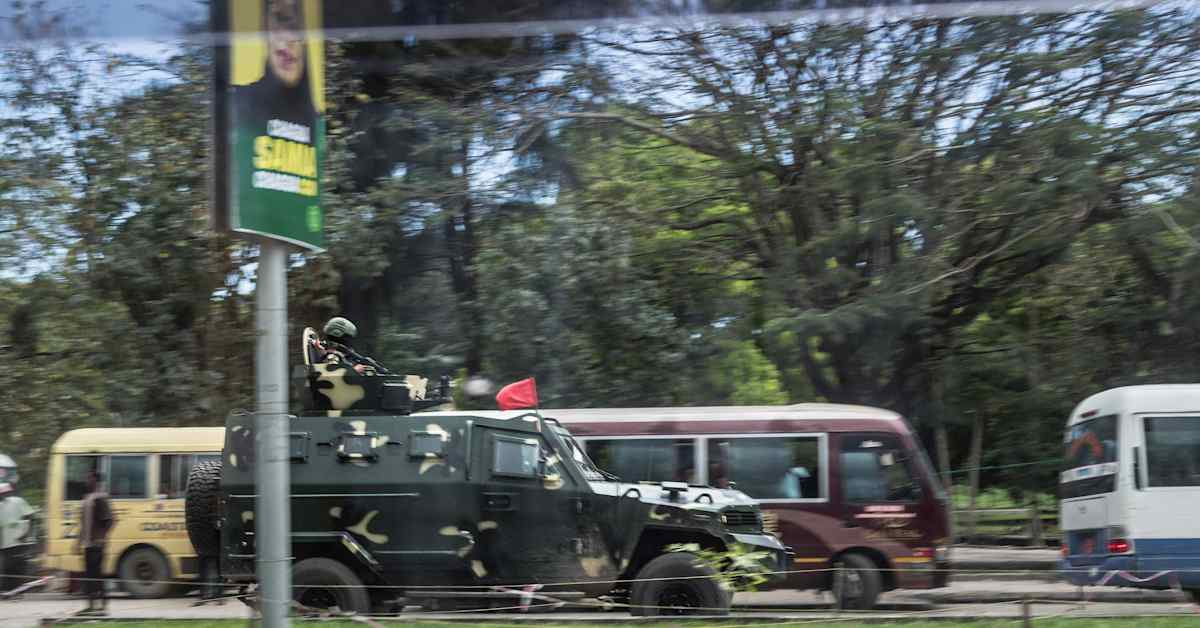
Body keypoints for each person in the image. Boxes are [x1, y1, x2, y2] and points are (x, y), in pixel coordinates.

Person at [76, 471, 115, 616]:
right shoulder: (87, 499)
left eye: (89, 478)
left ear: (96, 481)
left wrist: (102, 538)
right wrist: (78, 542)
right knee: (88, 575)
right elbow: (83, 524)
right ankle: (90, 606)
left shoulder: (101, 498)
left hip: (97, 544)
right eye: (87, 478)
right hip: (87, 544)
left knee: (97, 575)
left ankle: (103, 606)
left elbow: (110, 520)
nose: (87, 481)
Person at [321, 316, 389, 374]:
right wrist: (354, 371)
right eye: (348, 337)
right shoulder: (331, 355)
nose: (349, 341)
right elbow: (331, 375)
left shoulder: (344, 355)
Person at [0, 481, 34, 593]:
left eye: (4, 493)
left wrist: (26, 534)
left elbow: (31, 516)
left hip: (18, 540)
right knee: (7, 566)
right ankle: (9, 590)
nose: (3, 495)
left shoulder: (17, 501)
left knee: (16, 565)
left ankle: (16, 590)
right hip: (4, 543)